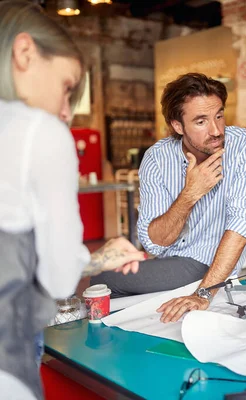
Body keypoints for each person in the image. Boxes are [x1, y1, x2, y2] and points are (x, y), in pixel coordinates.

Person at [0, 1, 146, 398]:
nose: (66, 112)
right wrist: (97, 258)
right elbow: (59, 277)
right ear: (25, 52)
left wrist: (99, 258)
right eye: (67, 87)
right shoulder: (39, 133)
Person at [92, 73, 246, 323]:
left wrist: (203, 293)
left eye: (219, 115)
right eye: (201, 121)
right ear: (178, 126)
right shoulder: (157, 158)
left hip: (209, 263)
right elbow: (155, 242)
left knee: (103, 280)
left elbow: (242, 223)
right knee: (105, 279)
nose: (217, 130)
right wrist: (190, 194)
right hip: (171, 262)